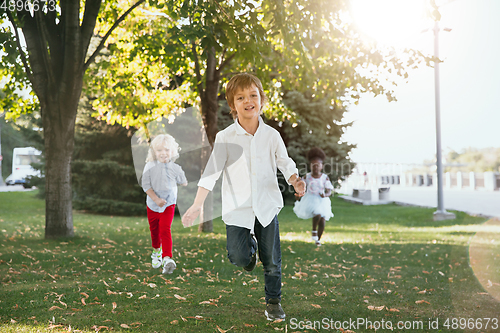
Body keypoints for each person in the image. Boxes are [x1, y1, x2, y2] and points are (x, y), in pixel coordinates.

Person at [181, 73, 306, 321]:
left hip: (266, 206)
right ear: (233, 105)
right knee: (238, 257)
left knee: (271, 260)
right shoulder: (226, 137)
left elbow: (285, 163)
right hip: (238, 210)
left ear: (262, 100)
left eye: (253, 95)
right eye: (241, 97)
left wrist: (296, 180)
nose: (248, 101)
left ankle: (273, 302)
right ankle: (249, 255)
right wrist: (197, 204)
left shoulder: (272, 136)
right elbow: (211, 173)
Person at [142, 134, 187, 274]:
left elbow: (183, 181)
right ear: (154, 152)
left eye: (167, 150)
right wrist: (156, 199)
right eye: (159, 150)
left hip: (169, 203)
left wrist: (182, 179)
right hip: (153, 204)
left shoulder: (175, 167)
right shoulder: (149, 166)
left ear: (172, 151)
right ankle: (157, 251)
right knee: (154, 231)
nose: (163, 153)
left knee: (165, 228)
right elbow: (146, 186)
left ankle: (167, 258)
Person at [293, 147, 334, 246]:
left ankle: (318, 239)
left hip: (322, 200)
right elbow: (301, 187)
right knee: (318, 214)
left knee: (323, 221)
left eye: (318, 165)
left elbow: (329, 190)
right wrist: (298, 195)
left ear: (321, 166)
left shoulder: (324, 177)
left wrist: (325, 194)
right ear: (310, 166)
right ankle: (314, 230)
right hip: (310, 200)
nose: (315, 167)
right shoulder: (307, 177)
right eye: (313, 165)